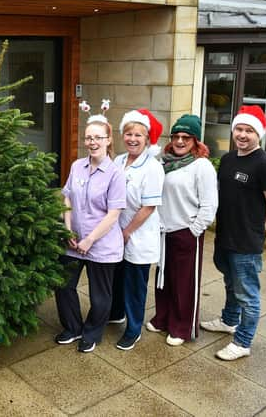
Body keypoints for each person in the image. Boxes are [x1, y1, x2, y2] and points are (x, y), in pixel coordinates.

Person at [201, 105, 266, 361]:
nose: (243, 134)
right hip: (225, 236)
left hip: (246, 242)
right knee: (229, 283)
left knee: (248, 294)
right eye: (239, 129)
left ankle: (243, 341)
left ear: (258, 133)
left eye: (249, 130)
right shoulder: (227, 159)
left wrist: (256, 226)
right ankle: (228, 320)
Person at [55, 101, 126, 353]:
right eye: (88, 138)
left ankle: (92, 333)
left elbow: (113, 214)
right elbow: (67, 197)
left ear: (108, 140)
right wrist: (67, 229)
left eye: (98, 137)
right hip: (74, 241)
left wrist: (90, 240)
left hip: (102, 245)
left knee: (99, 297)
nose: (92, 142)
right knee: (64, 286)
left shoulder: (115, 173)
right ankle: (73, 328)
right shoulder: (77, 166)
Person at [147, 114, 218, 346]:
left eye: (186, 137)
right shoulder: (163, 162)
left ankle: (182, 327)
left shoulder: (202, 166)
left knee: (184, 283)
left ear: (195, 141)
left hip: (186, 231)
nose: (179, 141)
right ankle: (163, 318)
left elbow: (209, 205)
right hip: (163, 231)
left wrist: (194, 230)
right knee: (163, 278)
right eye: (176, 136)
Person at [109, 109, 165, 351]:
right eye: (128, 133)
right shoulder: (119, 160)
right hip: (116, 230)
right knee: (117, 276)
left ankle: (133, 329)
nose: (132, 138)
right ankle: (117, 313)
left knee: (135, 284)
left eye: (138, 135)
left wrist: (126, 232)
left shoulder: (153, 168)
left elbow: (148, 207)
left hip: (137, 233)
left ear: (148, 139)